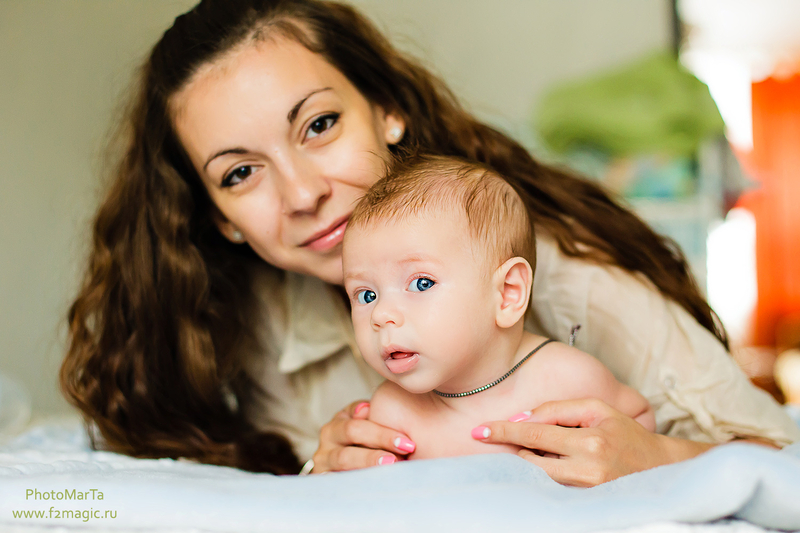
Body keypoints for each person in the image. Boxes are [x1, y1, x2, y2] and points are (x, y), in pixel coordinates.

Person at [60, 0, 799, 485]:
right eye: (241, 173)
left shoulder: (559, 271)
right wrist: (318, 471)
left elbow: (777, 459)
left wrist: (659, 456)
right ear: (220, 217)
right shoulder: (246, 321)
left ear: (387, 110)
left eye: (320, 125)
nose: (302, 193)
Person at [342, 156, 656, 461]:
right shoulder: (392, 414)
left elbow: (638, 423)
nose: (381, 315)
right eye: (367, 295)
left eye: (422, 283)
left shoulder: (567, 379)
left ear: (508, 293)